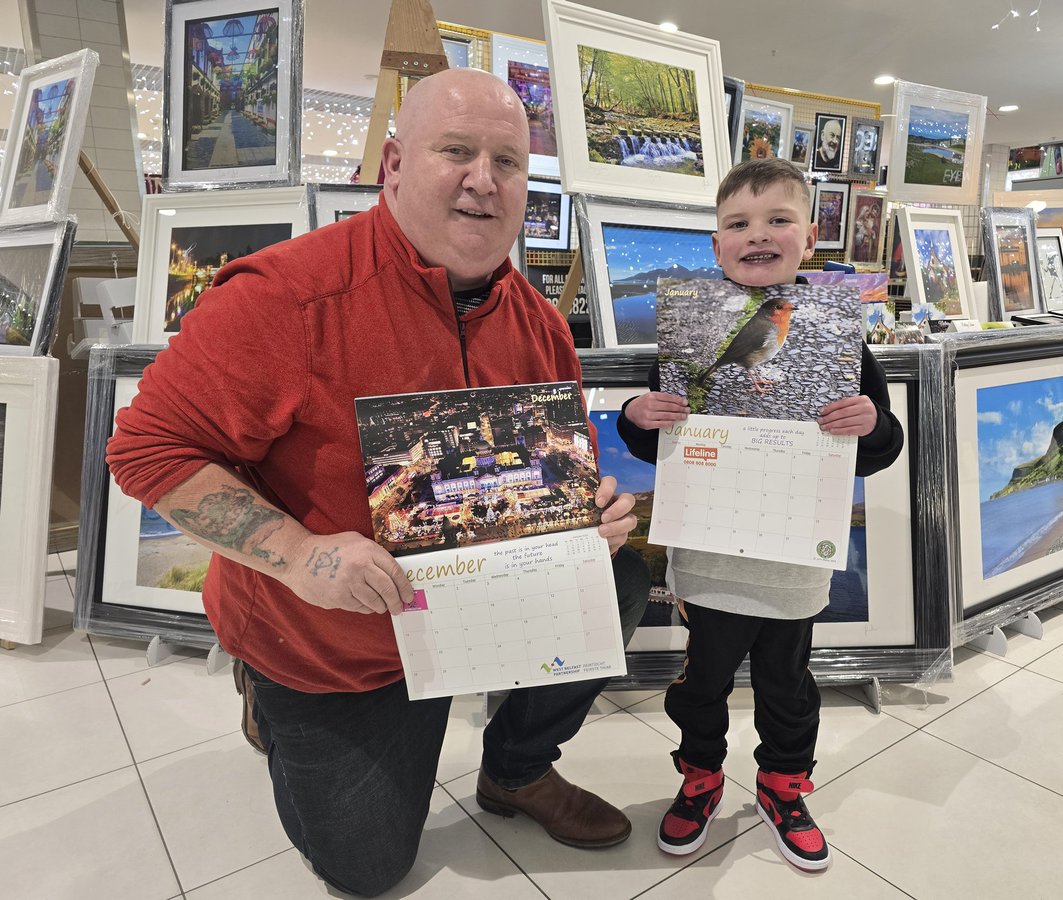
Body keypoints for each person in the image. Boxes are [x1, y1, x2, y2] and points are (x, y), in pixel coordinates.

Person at [107, 68, 650, 898]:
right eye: (456, 151)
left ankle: (516, 769)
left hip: (475, 604)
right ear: (392, 165)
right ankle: (265, 690)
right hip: (335, 638)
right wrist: (296, 554)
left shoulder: (539, 322)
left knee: (622, 577)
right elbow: (147, 450)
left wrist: (590, 514)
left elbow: (544, 470)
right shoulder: (283, 297)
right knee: (367, 868)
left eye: (508, 162)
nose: (484, 180)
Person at [616, 158, 903, 872]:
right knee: (702, 679)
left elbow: (883, 446)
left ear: (809, 237)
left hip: (793, 556)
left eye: (778, 220)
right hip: (708, 555)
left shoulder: (839, 334)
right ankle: (700, 776)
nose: (758, 235)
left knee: (787, 681)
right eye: (738, 223)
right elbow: (659, 436)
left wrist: (870, 424)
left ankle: (783, 783)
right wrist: (634, 414)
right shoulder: (690, 330)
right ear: (716, 245)